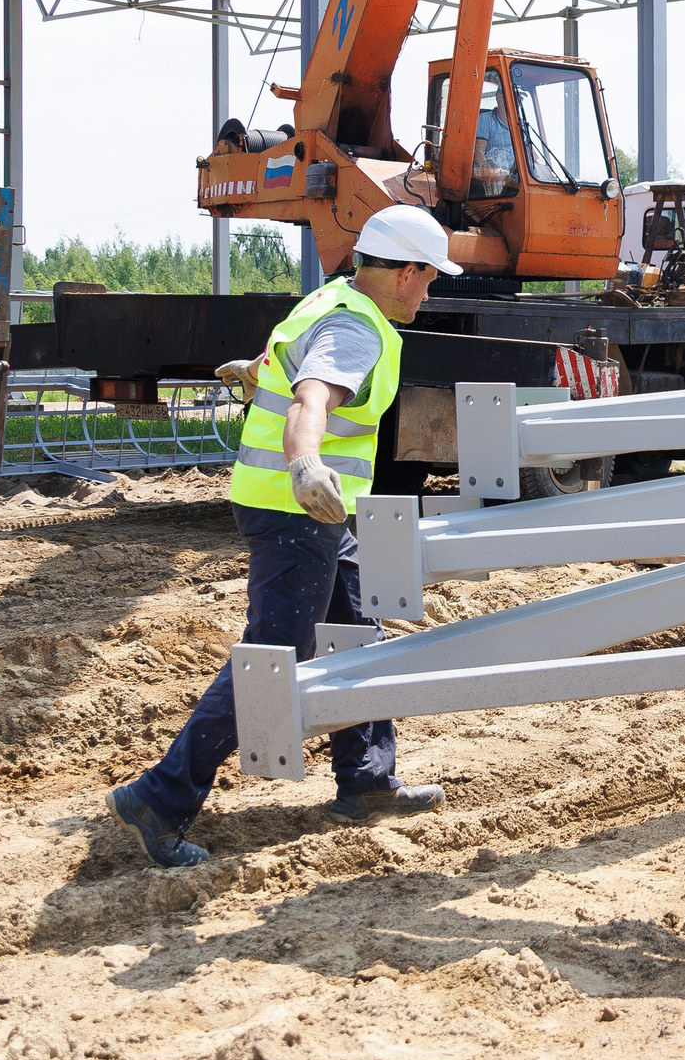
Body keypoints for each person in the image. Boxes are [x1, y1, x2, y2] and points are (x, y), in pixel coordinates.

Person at [105, 206, 459, 868]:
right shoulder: (357, 328)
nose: (430, 290)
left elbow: (284, 368)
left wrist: (253, 372)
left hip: (313, 513)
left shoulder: (333, 299)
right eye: (429, 277)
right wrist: (304, 465)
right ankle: (159, 797)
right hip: (294, 508)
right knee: (277, 651)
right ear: (407, 271)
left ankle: (367, 779)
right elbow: (311, 401)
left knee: (357, 623)